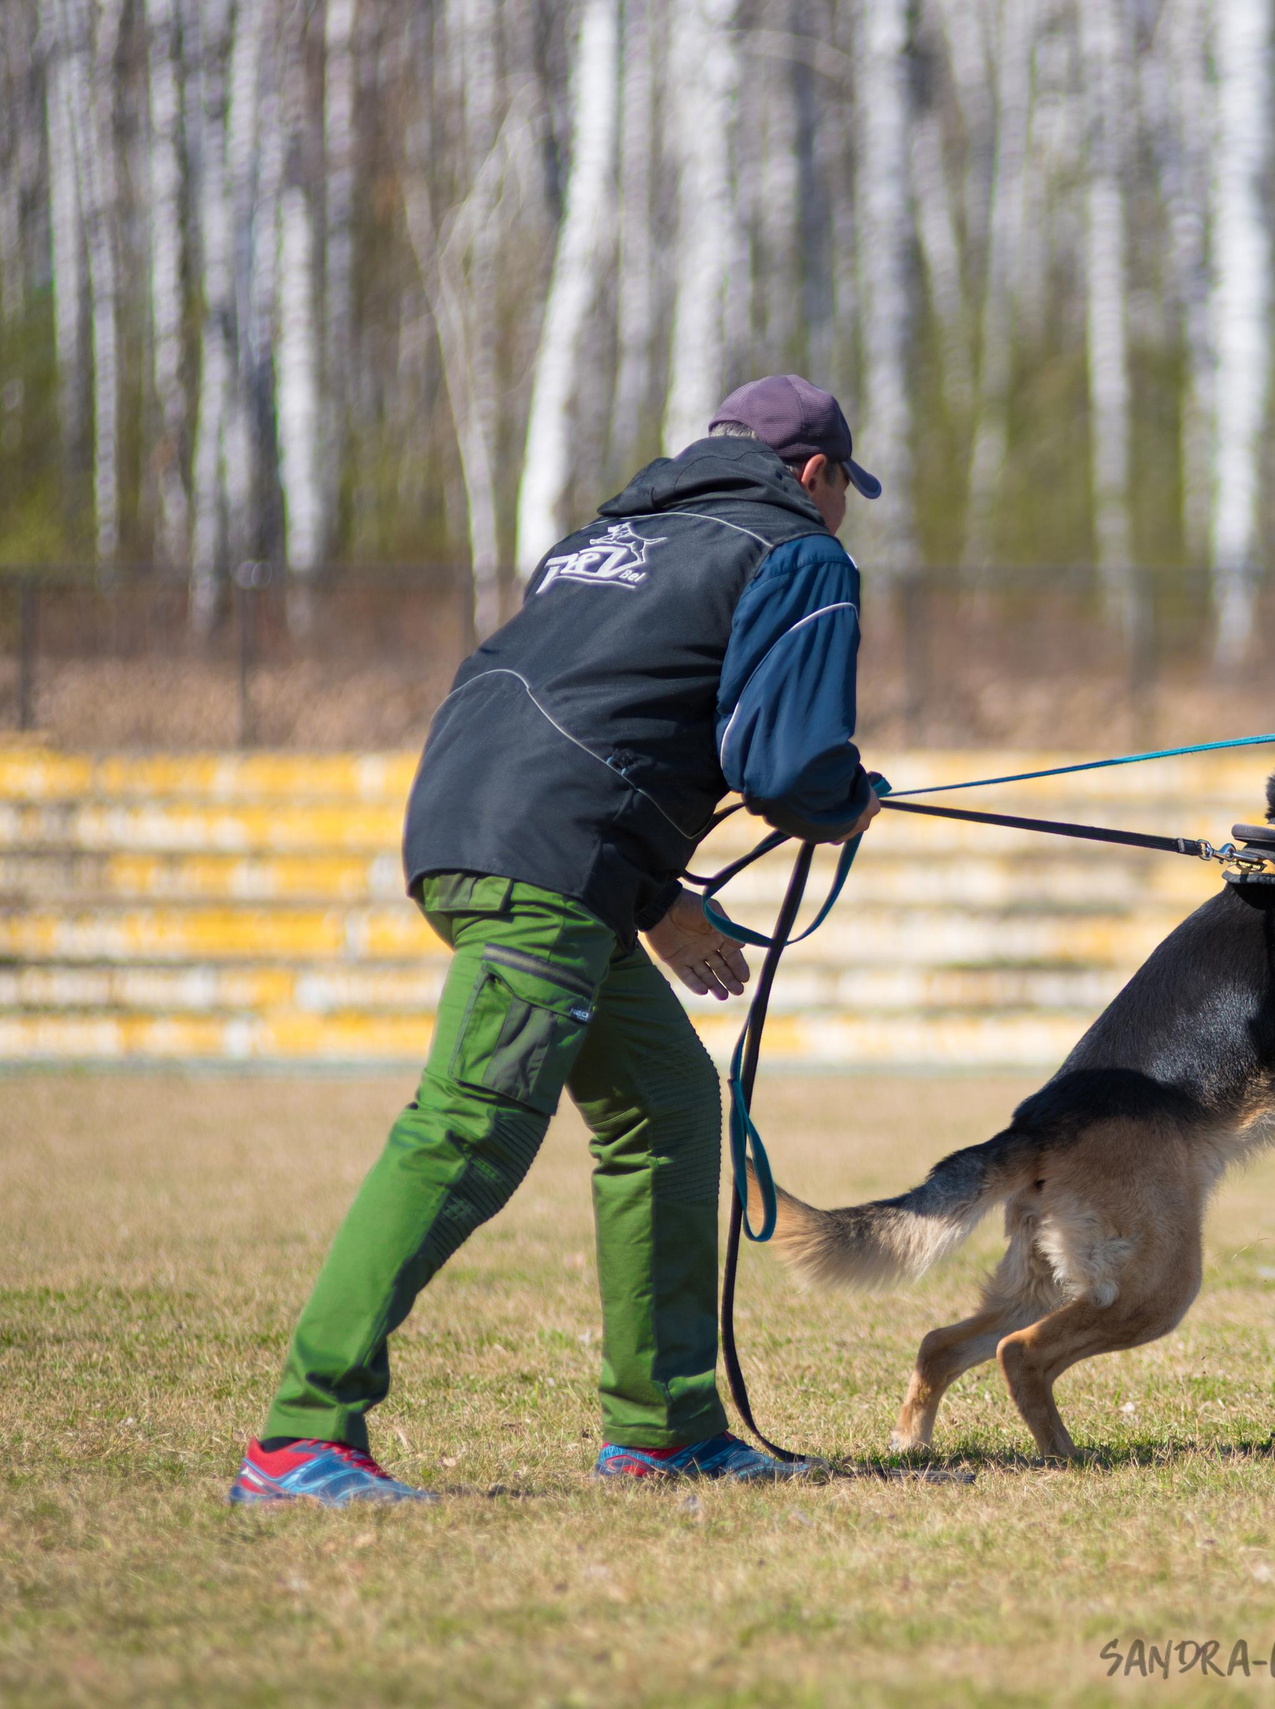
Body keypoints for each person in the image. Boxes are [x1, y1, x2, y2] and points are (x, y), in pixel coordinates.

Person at [232, 376, 886, 1504]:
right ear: (816, 473)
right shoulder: (796, 547)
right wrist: (846, 800)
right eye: (840, 491)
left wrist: (651, 898)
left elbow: (595, 714)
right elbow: (784, 765)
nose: (839, 513)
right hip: (551, 860)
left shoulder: (608, 537)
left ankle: (666, 1429)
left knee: (666, 1107)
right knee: (466, 1130)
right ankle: (301, 1434)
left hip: (471, 822)